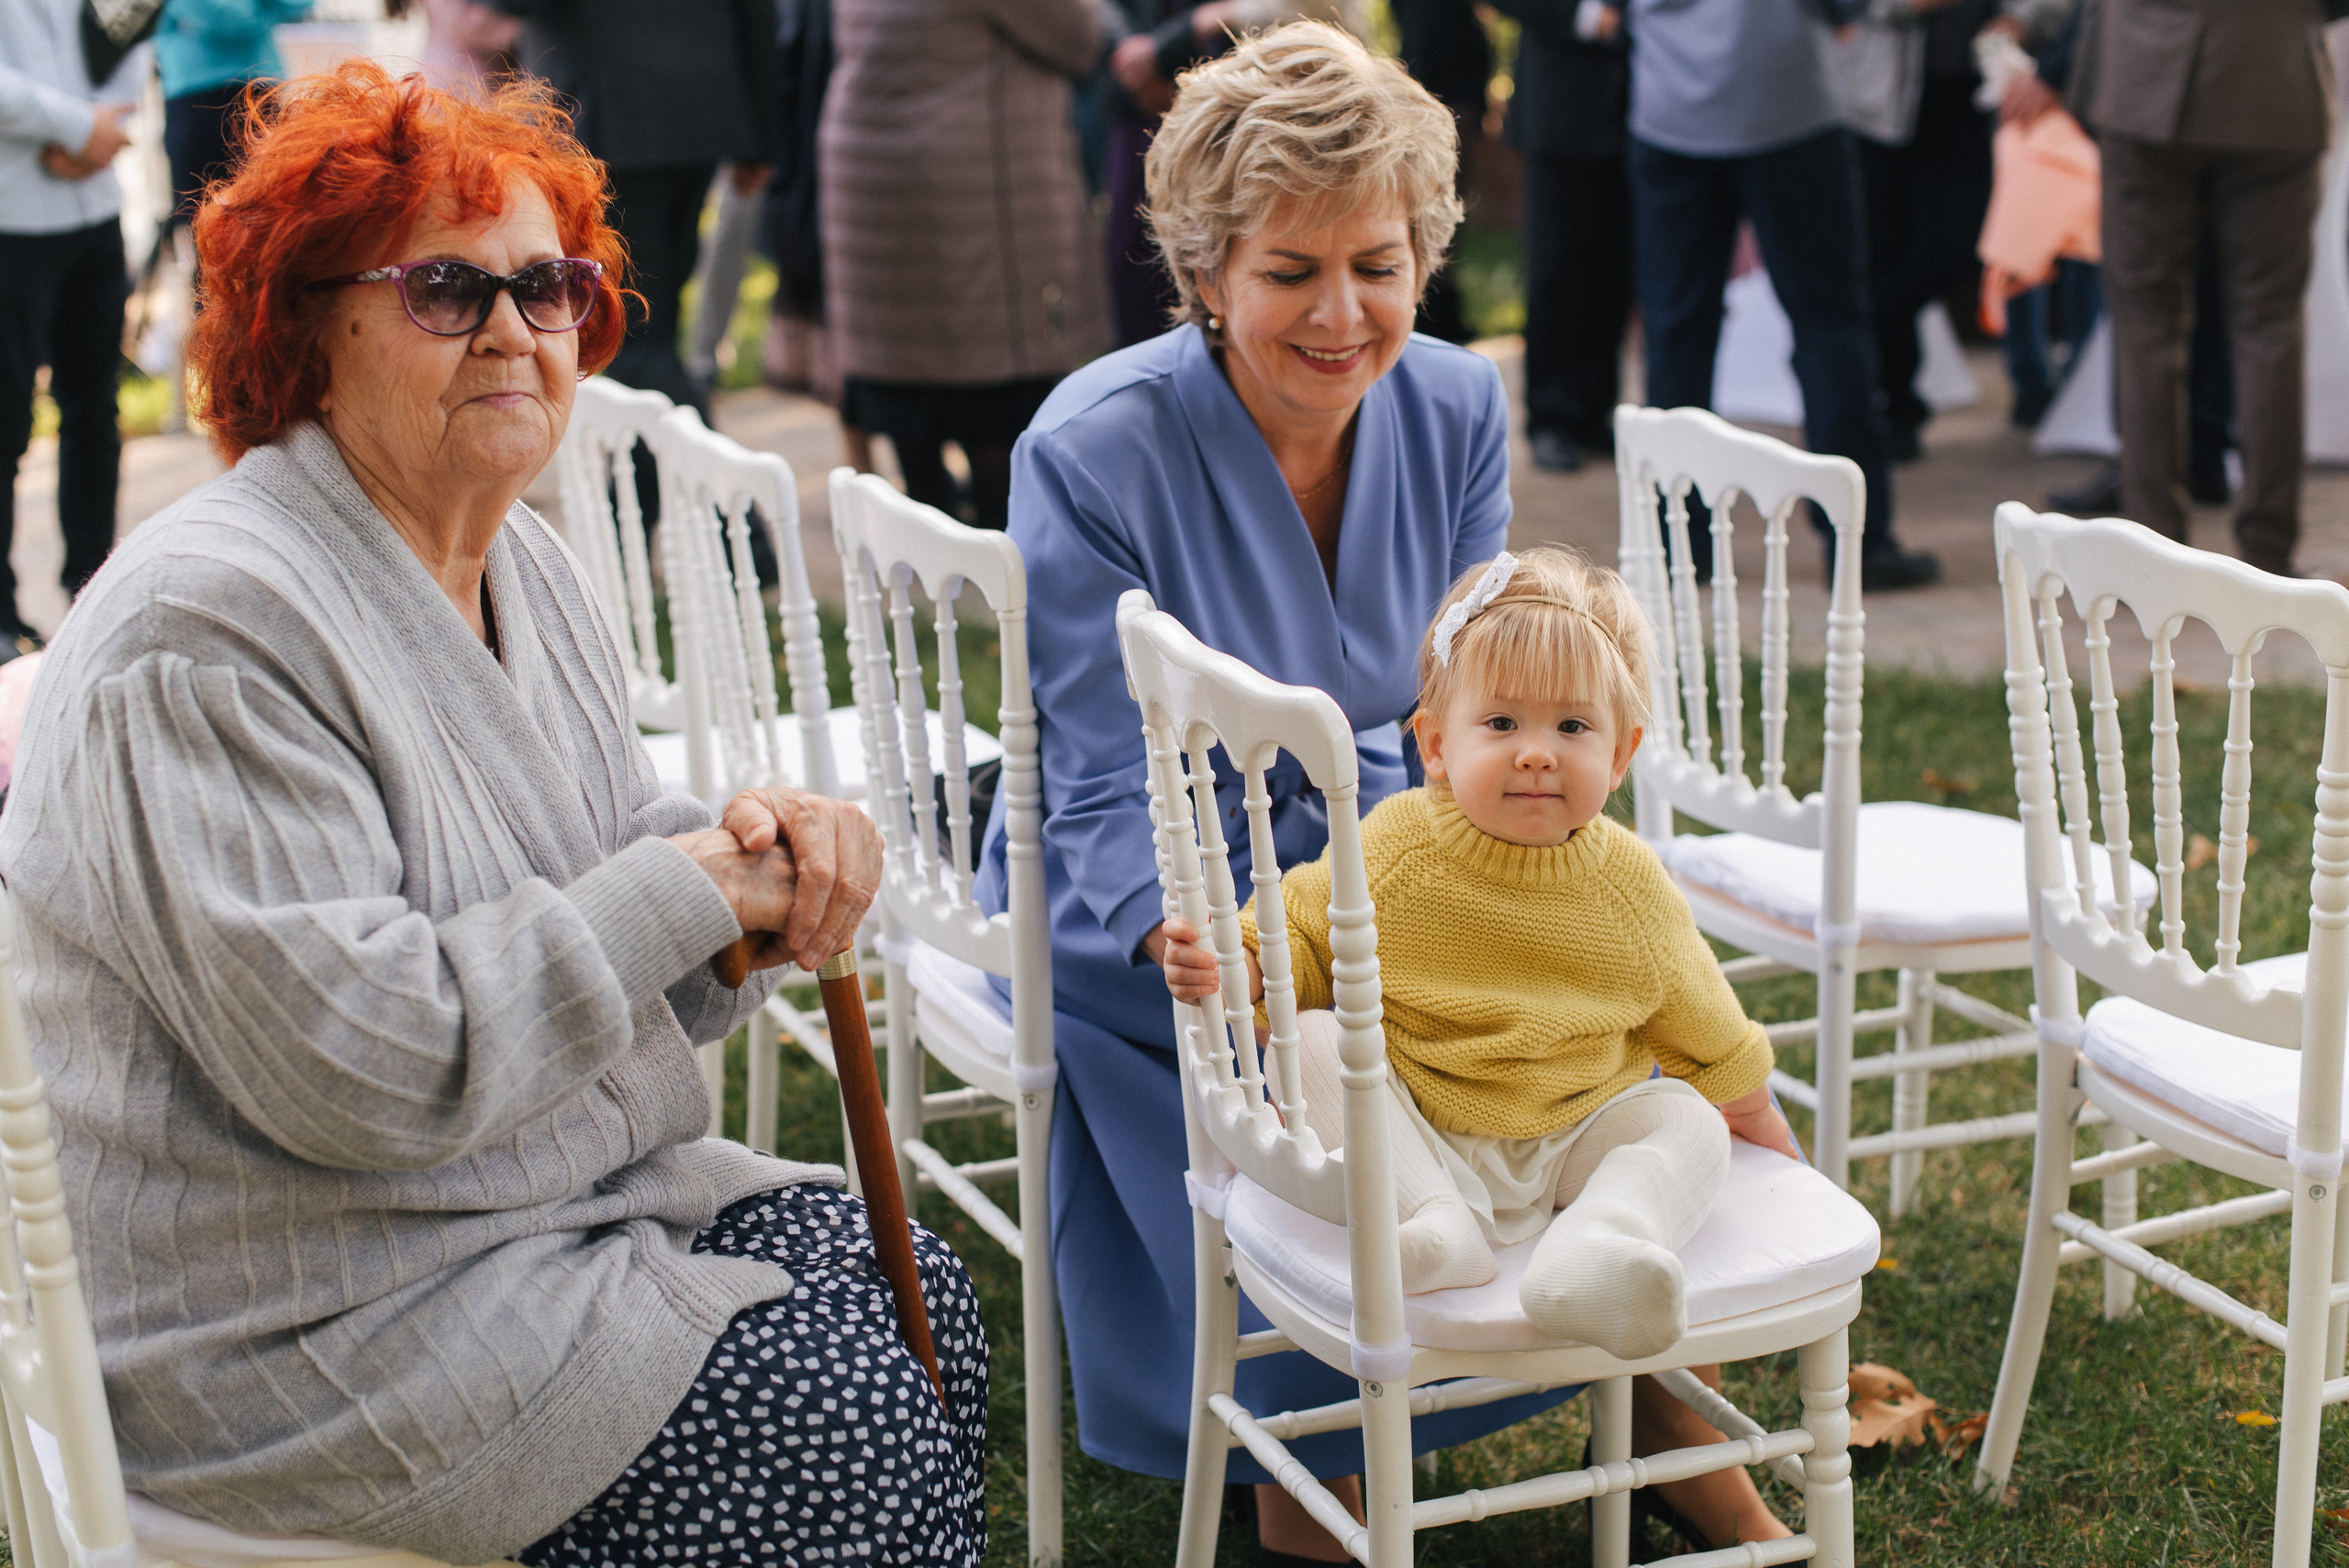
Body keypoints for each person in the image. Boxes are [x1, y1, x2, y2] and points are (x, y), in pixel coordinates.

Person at [0, 61, 986, 1567]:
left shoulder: (521, 559)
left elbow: (597, 851)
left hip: (514, 1221)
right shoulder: (206, 632)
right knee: (841, 1417)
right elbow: (365, 1062)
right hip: (289, 1317)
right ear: (306, 323)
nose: (520, 330)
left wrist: (751, 871)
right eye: (451, 289)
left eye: (553, 287)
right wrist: (693, 885)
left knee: (918, 1291)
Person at [974, 24, 1793, 1560]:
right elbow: (1092, 771)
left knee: (1577, 1017)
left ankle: (1649, 1382)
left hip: (1417, 847)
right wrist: (1189, 940)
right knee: (1290, 1054)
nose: (1344, 313)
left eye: (1380, 261)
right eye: (1292, 271)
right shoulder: (1091, 449)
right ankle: (1319, 1456)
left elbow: (1467, 692)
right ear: (1206, 273)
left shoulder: (1460, 404)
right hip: (1163, 880)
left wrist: (1517, 850)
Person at [1157, 547, 1798, 1365]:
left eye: (1572, 726)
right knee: (1309, 1040)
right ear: (1432, 743)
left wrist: (1751, 1115)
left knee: (1688, 1123)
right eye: (1501, 723)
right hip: (1419, 1128)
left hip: (1574, 1136)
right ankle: (1436, 1225)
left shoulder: (1630, 885)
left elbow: (1706, 1021)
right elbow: (1297, 940)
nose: (1537, 751)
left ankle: (1599, 1245)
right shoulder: (1395, 847)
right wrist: (1232, 964)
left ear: (1622, 753)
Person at [1622, 0, 1941, 591]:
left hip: (1670, 102)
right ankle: (1860, 548)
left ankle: (1679, 548)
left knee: (1675, 336)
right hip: (1789, 99)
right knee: (1831, 329)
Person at [2065, 0, 2330, 573]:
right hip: (2273, 69)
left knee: (2146, 324)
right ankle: (2270, 554)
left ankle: (2153, 556)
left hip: (2143, 73)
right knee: (2270, 324)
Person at [823, 0, 1108, 530]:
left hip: (875, 179)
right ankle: (1004, 577)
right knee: (995, 412)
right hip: (969, 192)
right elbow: (1077, 34)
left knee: (912, 397)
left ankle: (940, 580)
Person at [495, 0, 779, 417]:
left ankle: (698, 470)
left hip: (608, 114)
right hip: (697, 106)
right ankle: (656, 473)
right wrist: (762, 135)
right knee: (652, 326)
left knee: (627, 333)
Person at [0, 0, 145, 653]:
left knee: (95, 413)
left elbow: (131, 24)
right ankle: (2, 621)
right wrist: (70, 124)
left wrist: (100, 133)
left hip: (95, 206)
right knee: (5, 422)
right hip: (11, 215)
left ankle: (93, 595)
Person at [1843, 0, 1998, 462]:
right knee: (1881, 247)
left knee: (1955, 246)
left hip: (1965, 98)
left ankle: (1854, 343)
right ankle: (1893, 405)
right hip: (1879, 106)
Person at [1486, 0, 1632, 473]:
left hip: (1638, 106)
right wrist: (1582, 16)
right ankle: (1551, 417)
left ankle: (1595, 411)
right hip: (1561, 104)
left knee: (1614, 268)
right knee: (1556, 267)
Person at [155, 0, 313, 235]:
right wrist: (260, 10)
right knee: (203, 232)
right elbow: (222, 15)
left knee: (274, 222)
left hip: (258, 89)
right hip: (197, 99)